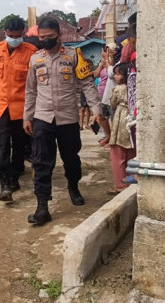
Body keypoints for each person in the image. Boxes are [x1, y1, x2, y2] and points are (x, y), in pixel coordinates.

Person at [23, 17, 110, 225]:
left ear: (59, 35)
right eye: (42, 37)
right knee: (42, 161)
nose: (45, 40)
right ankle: (42, 205)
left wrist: (96, 110)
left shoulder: (73, 56)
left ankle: (73, 186)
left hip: (68, 118)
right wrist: (27, 116)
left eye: (50, 37)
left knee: (71, 158)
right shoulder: (35, 59)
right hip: (43, 117)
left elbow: (88, 84)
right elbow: (31, 90)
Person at [0, 17, 37, 203]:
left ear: (23, 33)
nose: (14, 39)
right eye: (10, 36)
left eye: (17, 36)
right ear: (5, 33)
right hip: (1, 106)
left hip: (22, 108)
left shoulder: (31, 52)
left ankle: (15, 176)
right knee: (3, 145)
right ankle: (4, 183)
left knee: (20, 146)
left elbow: (34, 83)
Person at [107, 63, 135, 195]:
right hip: (131, 119)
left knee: (117, 155)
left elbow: (112, 103)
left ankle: (120, 185)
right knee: (131, 153)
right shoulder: (133, 87)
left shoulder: (119, 89)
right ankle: (131, 183)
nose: (115, 76)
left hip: (121, 119)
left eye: (118, 74)